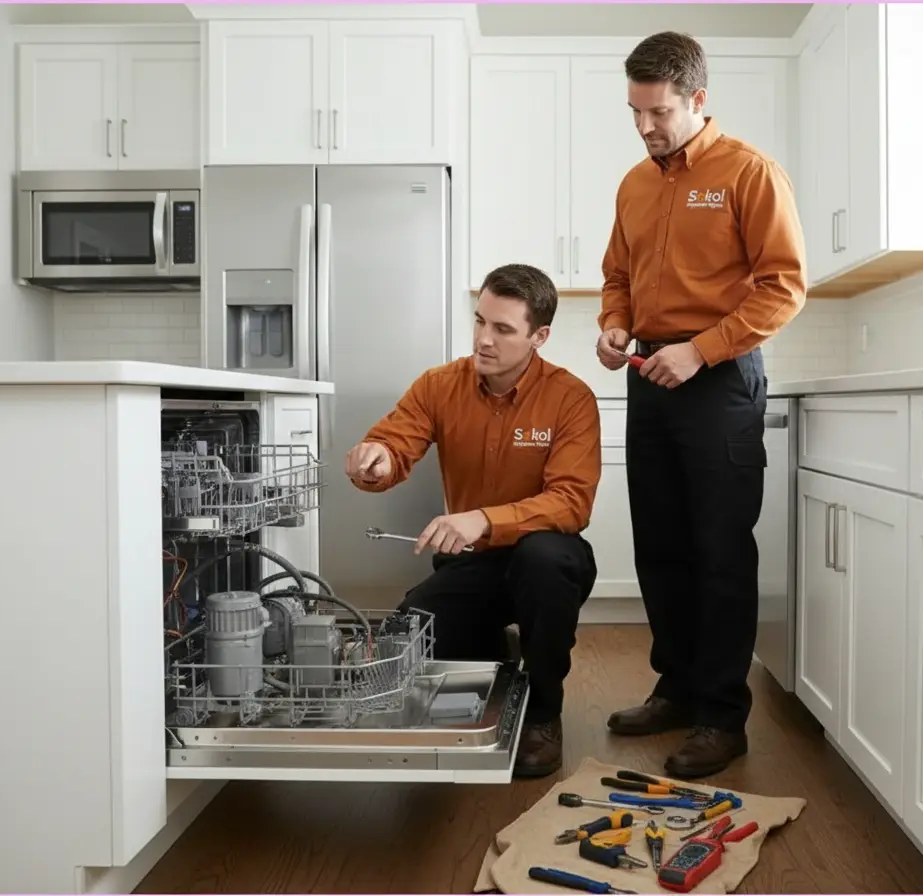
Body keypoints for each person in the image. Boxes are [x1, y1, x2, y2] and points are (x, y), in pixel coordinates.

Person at [595, 32, 807, 778]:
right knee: (660, 544)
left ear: (697, 99)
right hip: (648, 373)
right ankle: (678, 687)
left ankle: (723, 717)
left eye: (658, 111)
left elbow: (783, 286)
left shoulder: (748, 173)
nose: (646, 126)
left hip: (717, 378)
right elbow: (616, 275)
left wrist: (700, 349)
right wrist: (614, 327)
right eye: (635, 111)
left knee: (719, 551)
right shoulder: (633, 184)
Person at [346, 262, 601, 778]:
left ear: (539, 336)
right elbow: (396, 441)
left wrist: (484, 519)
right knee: (411, 634)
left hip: (547, 561)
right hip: (470, 565)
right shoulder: (440, 385)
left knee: (545, 557)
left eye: (503, 329)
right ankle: (497, 650)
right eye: (480, 321)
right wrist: (375, 459)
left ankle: (544, 713)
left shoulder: (571, 399)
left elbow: (572, 501)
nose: (484, 339)